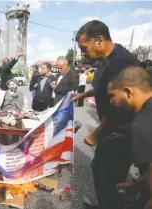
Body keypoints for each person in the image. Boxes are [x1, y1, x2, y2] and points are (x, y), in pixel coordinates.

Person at [71, 20, 140, 209]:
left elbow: (118, 107)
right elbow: (104, 88)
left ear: (100, 40)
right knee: (100, 170)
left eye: (84, 48)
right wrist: (85, 93)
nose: (83, 54)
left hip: (121, 130)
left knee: (110, 177)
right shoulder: (104, 61)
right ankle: (105, 204)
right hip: (110, 128)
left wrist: (96, 134)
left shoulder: (121, 62)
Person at [107, 66, 152, 209]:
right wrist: (137, 183)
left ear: (127, 91)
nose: (111, 101)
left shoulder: (142, 123)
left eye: (112, 95)